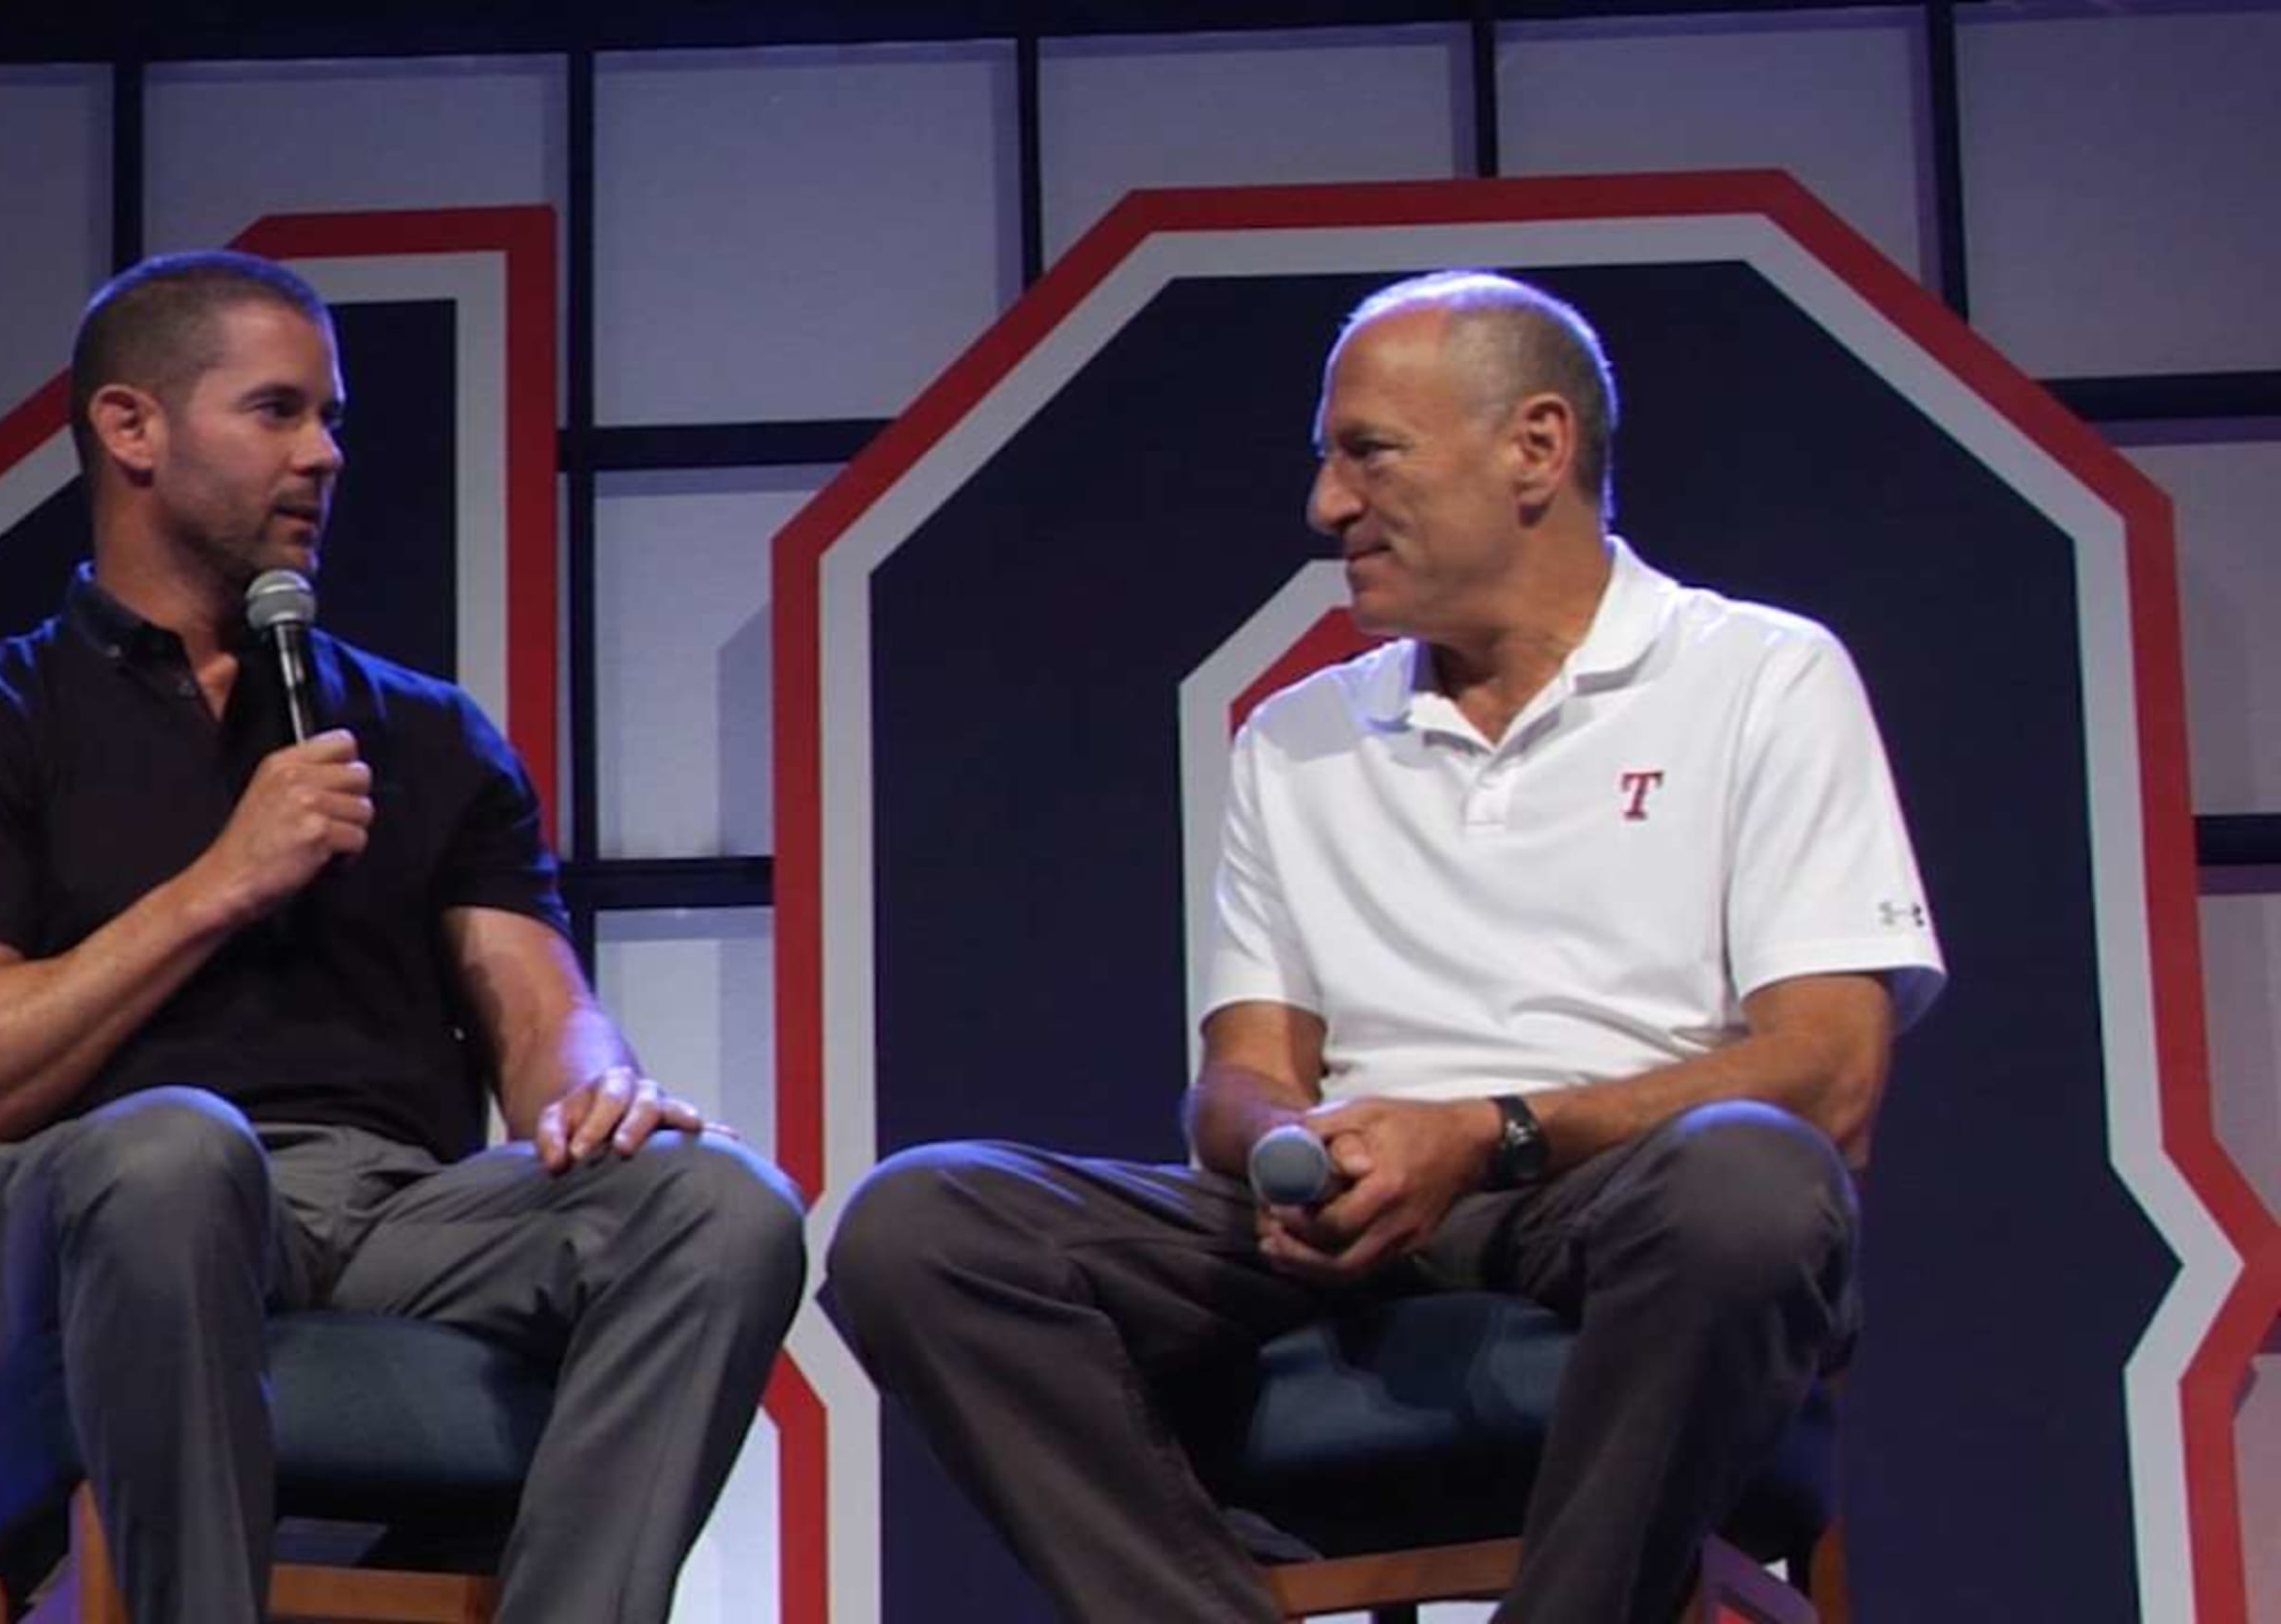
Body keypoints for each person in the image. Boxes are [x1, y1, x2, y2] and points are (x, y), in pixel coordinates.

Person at [821, 270, 1944, 1622]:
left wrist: (1484, 1133)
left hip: (1618, 1194)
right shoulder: (1294, 737)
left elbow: (1830, 1074)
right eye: (1326, 463)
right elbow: (1238, 1077)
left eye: (1367, 454)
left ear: (1536, 448)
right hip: (1353, 1210)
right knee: (920, 1226)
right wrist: (1302, 1152)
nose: (1327, 507)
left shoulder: (1760, 675)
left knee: (1755, 1182)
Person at [0, 250, 805, 1624]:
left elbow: (541, 1014)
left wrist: (603, 1086)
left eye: (331, 418)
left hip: (397, 1210)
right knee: (176, 1145)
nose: (327, 455)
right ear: (132, 430)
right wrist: (221, 882)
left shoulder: (423, 730)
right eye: (279, 412)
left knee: (721, 1205)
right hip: (117, 1208)